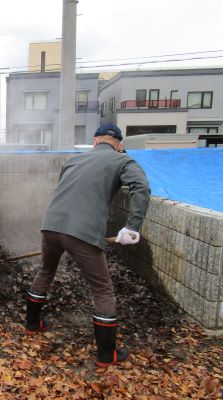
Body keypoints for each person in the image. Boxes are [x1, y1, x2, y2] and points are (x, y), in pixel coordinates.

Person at [25, 123, 151, 367]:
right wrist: (132, 226)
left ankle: (32, 324)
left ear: (94, 141)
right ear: (120, 145)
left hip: (51, 226)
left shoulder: (72, 160)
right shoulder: (122, 161)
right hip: (82, 233)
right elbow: (141, 187)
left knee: (46, 271)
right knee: (103, 290)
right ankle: (107, 354)